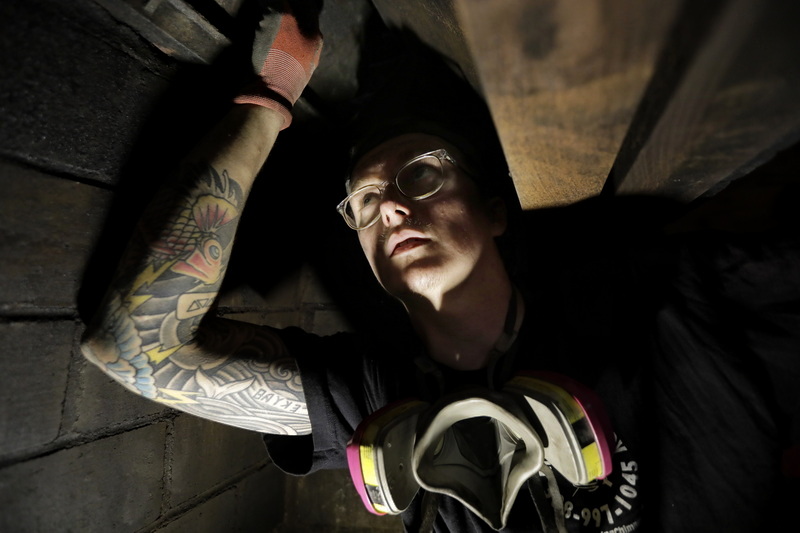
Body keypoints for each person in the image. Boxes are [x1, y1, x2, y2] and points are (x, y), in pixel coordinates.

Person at [81, 3, 800, 532]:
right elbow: (132, 346)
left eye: (419, 176)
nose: (387, 208)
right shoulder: (370, 394)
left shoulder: (649, 305)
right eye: (362, 201)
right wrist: (267, 105)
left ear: (495, 210)